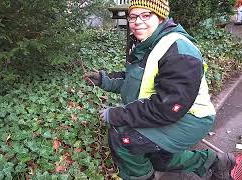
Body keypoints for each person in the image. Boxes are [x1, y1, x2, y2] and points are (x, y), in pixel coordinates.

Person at [84, 0, 236, 179]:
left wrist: (118, 114)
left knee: (123, 135)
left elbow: (165, 108)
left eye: (146, 15)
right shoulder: (148, 43)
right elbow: (135, 80)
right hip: (168, 113)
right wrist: (103, 79)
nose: (137, 22)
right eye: (133, 16)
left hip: (189, 119)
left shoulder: (178, 50)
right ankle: (215, 162)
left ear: (160, 16)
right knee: (156, 159)